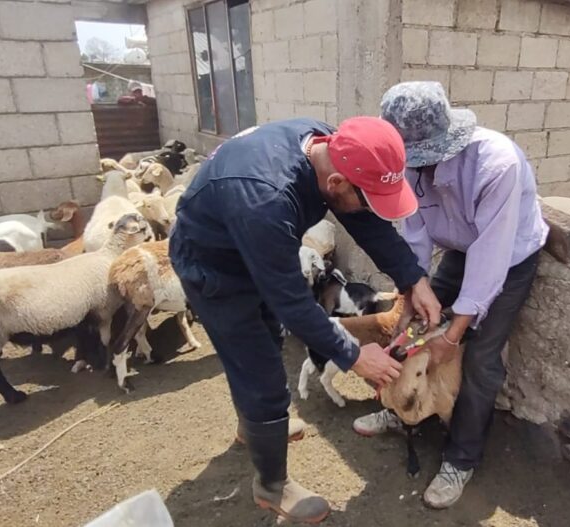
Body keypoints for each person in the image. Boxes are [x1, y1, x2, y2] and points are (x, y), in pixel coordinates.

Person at [169, 117, 442, 524]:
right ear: (335, 184)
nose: (369, 209)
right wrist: (352, 354)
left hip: (254, 245)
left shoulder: (332, 147)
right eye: (367, 198)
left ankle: (255, 429)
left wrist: (412, 278)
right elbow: (293, 303)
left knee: (265, 342)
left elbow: (364, 219)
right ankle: (272, 486)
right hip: (215, 267)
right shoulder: (267, 200)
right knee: (258, 367)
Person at [353, 82, 549, 509]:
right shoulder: (404, 164)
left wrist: (454, 333)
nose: (416, 169)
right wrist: (409, 296)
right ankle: (403, 406)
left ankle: (461, 457)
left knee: (478, 357)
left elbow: (491, 258)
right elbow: (416, 235)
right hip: (460, 250)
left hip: (509, 258)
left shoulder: (496, 165)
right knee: (412, 332)